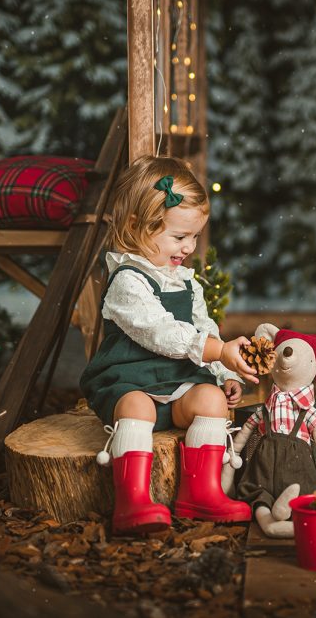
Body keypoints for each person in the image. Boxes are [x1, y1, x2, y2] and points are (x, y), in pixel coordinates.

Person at [80, 155, 258, 535]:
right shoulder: (128, 280)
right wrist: (217, 350)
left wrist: (223, 370)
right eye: (179, 237)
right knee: (137, 406)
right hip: (130, 382)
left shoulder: (186, 281)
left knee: (210, 400)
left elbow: (204, 326)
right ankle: (132, 500)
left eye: (194, 237)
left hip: (177, 384)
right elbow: (161, 332)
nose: (189, 247)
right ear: (136, 226)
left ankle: (201, 492)